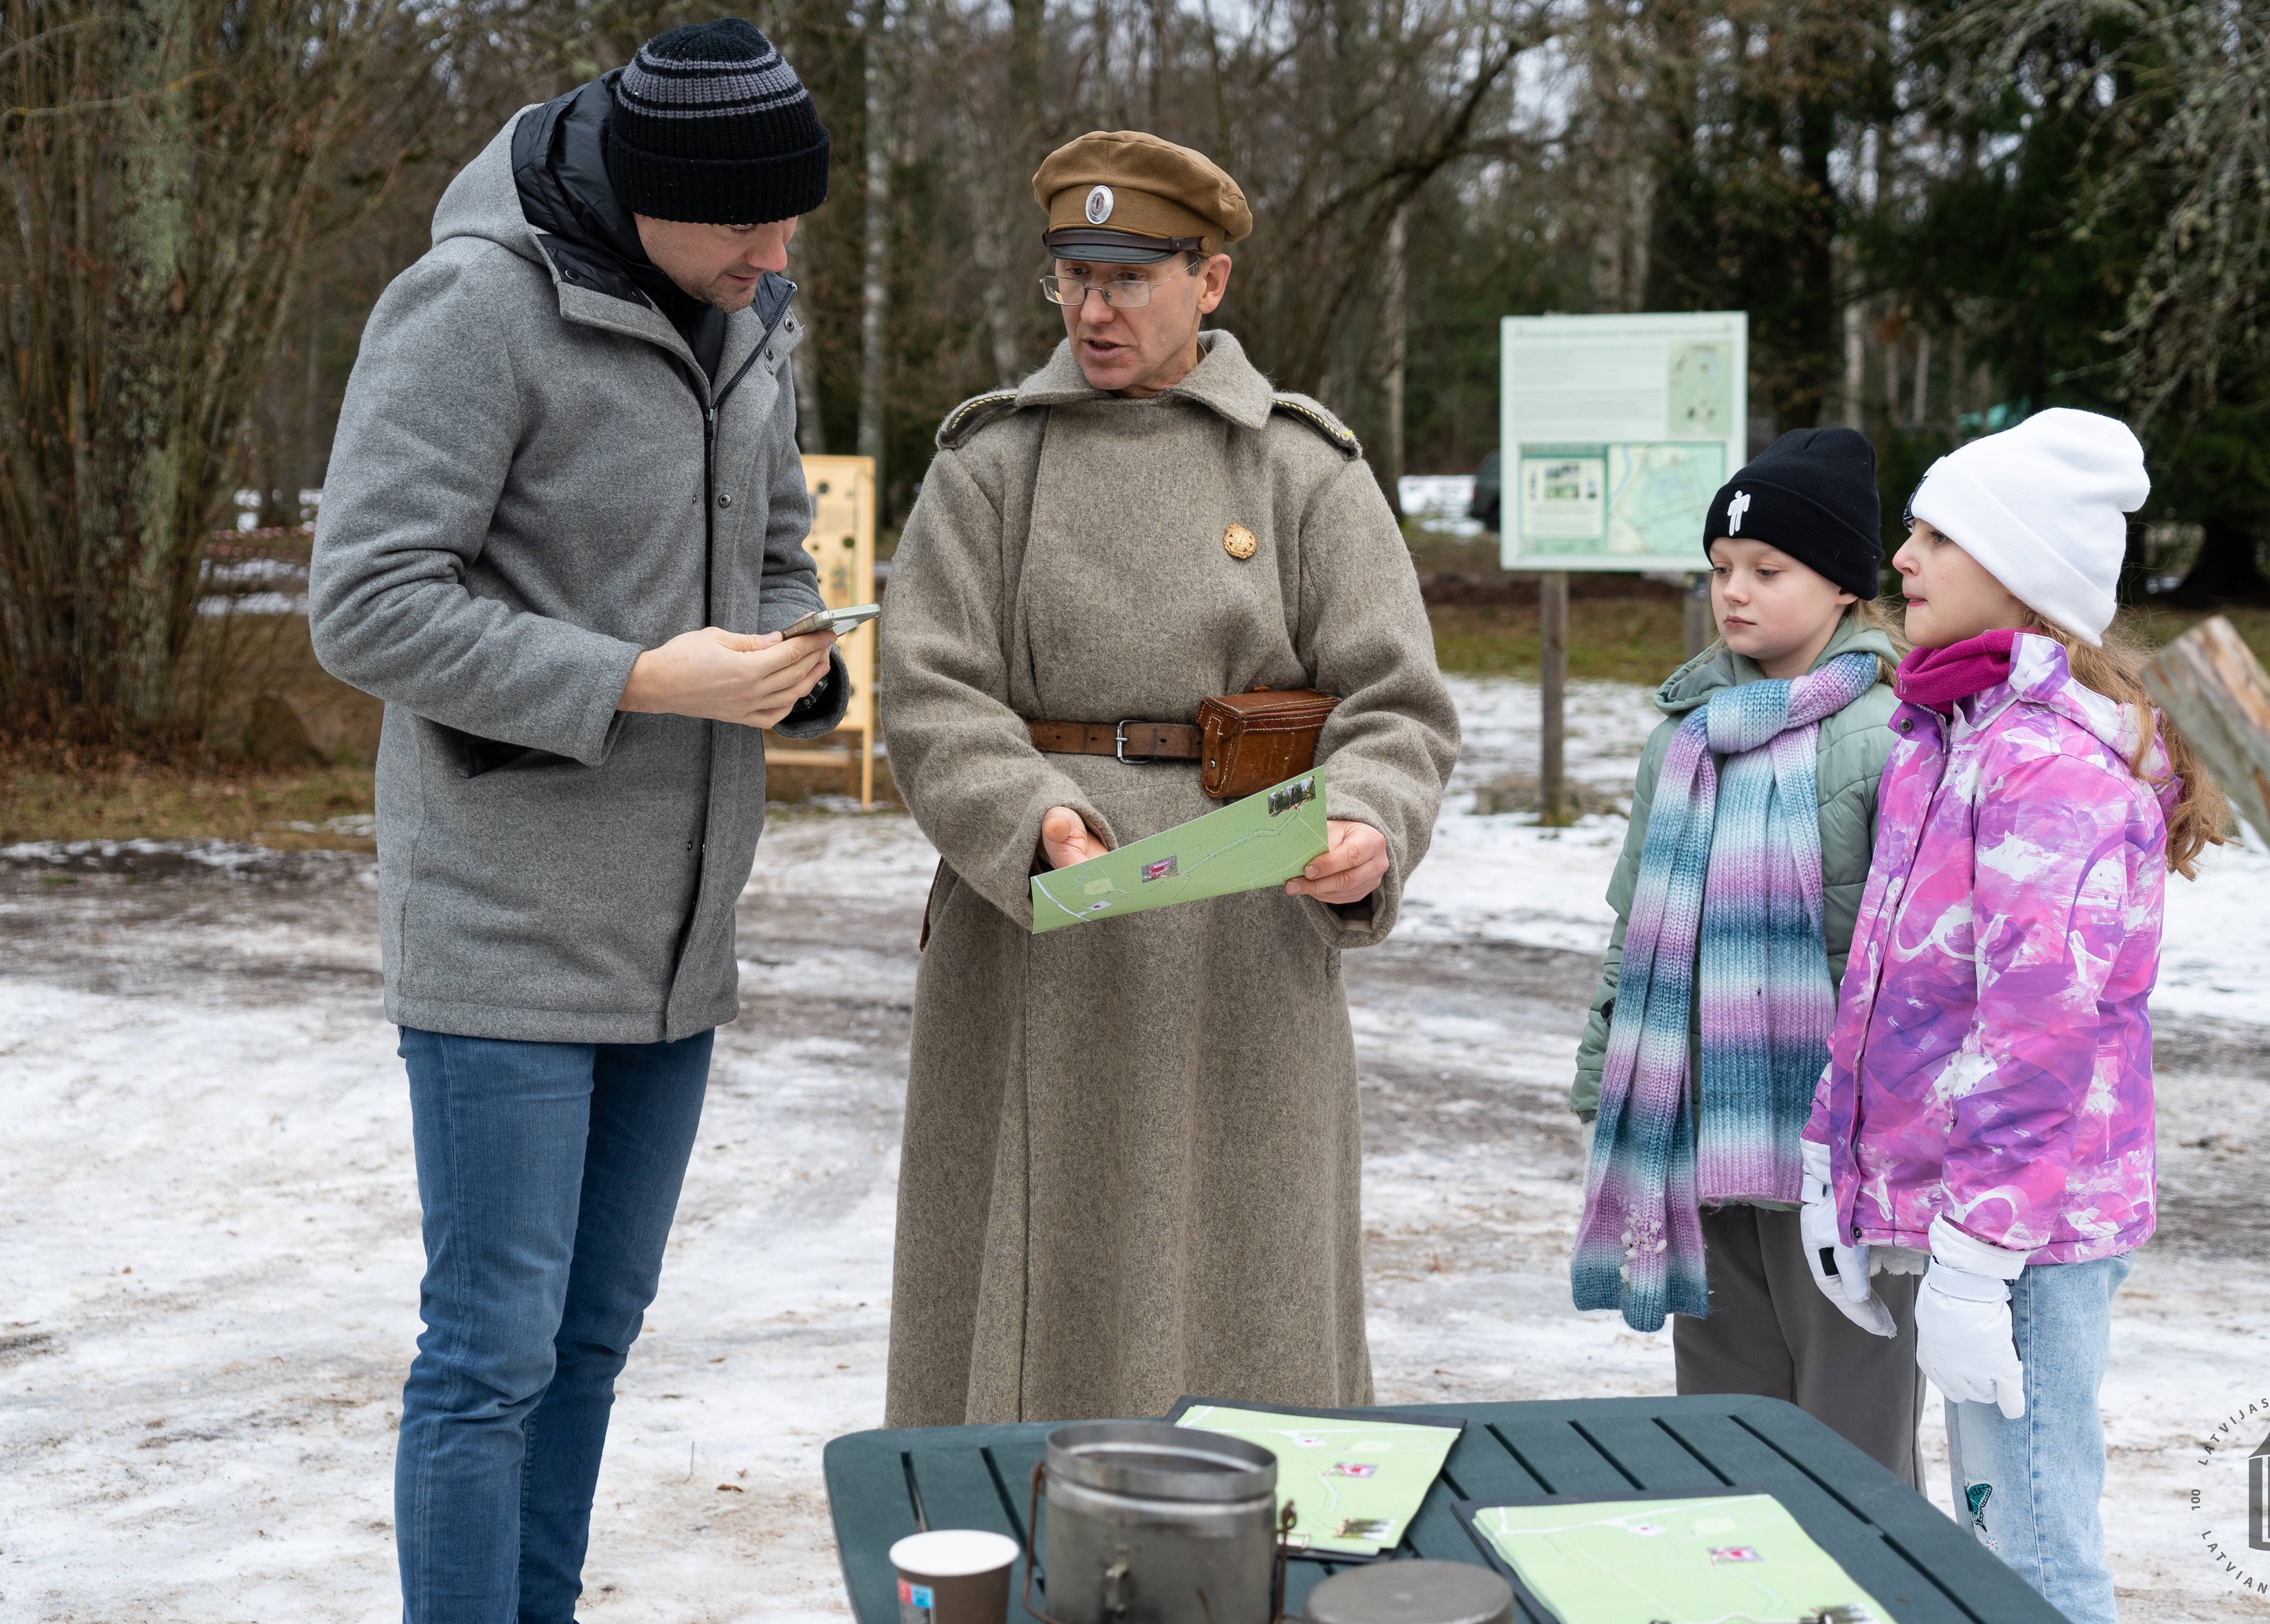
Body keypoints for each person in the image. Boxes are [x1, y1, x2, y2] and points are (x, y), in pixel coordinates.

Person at [308, 19, 844, 1621]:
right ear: (647, 191)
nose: (775, 250)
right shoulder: (474, 308)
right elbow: (367, 607)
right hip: (504, 923)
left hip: (679, 937)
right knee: (490, 1357)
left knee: (594, 1341)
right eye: (744, 223)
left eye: (791, 217)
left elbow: (775, 543)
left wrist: (794, 655)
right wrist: (637, 680)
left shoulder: (751, 311)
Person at [877, 129, 1459, 1426]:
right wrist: (1030, 819)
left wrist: (1366, 822)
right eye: (1072, 276)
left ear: (1212, 280)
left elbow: (1398, 706)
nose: (1093, 308)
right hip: (1038, 935)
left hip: (1244, 943)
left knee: (1247, 1284)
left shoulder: (1302, 468)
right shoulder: (987, 465)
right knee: (1037, 1291)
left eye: (1130, 275)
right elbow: (927, 689)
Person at [1801, 409, 2227, 1623]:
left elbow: (2039, 1038)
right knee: (1988, 1546)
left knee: (2034, 1548)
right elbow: (1886, 982)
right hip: (1973, 1219)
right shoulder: (1945, 738)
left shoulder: (2047, 767)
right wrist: (1833, 1165)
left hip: (2032, 1234)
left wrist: (1983, 1258)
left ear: (2023, 573)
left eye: (1939, 534)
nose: (1902, 559)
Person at [1566, 428, 1927, 1487]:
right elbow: (1639, 926)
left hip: (1836, 1143)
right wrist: (1610, 1078)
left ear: (1845, 585)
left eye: (1769, 570)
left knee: (1851, 1421)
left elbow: (1907, 957)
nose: (1736, 592)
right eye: (1723, 570)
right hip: (1701, 1122)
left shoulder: (1890, 729)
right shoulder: (1685, 732)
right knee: (1723, 1419)